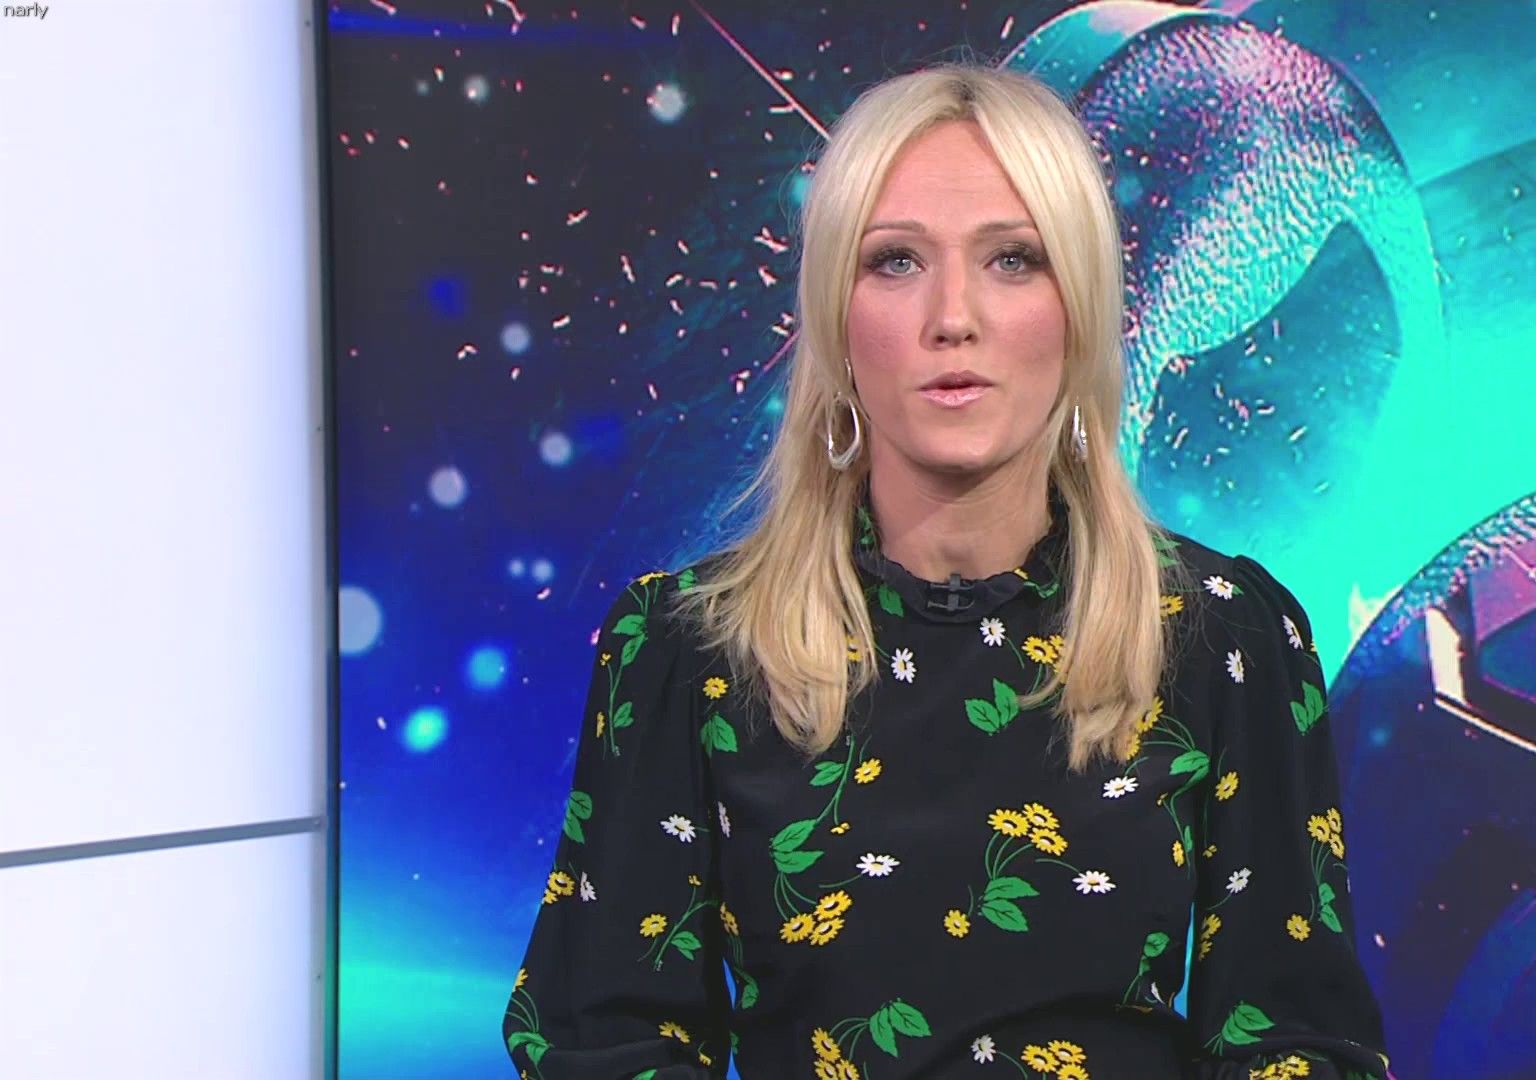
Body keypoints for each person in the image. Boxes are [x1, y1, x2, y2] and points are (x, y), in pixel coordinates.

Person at [503, 62, 1388, 1080]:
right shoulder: (688, 649)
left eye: (1013, 259)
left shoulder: (1225, 636)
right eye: (895, 261)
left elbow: (1296, 1042)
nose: (952, 317)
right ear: (833, 316)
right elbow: (605, 1042)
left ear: (1082, 307)